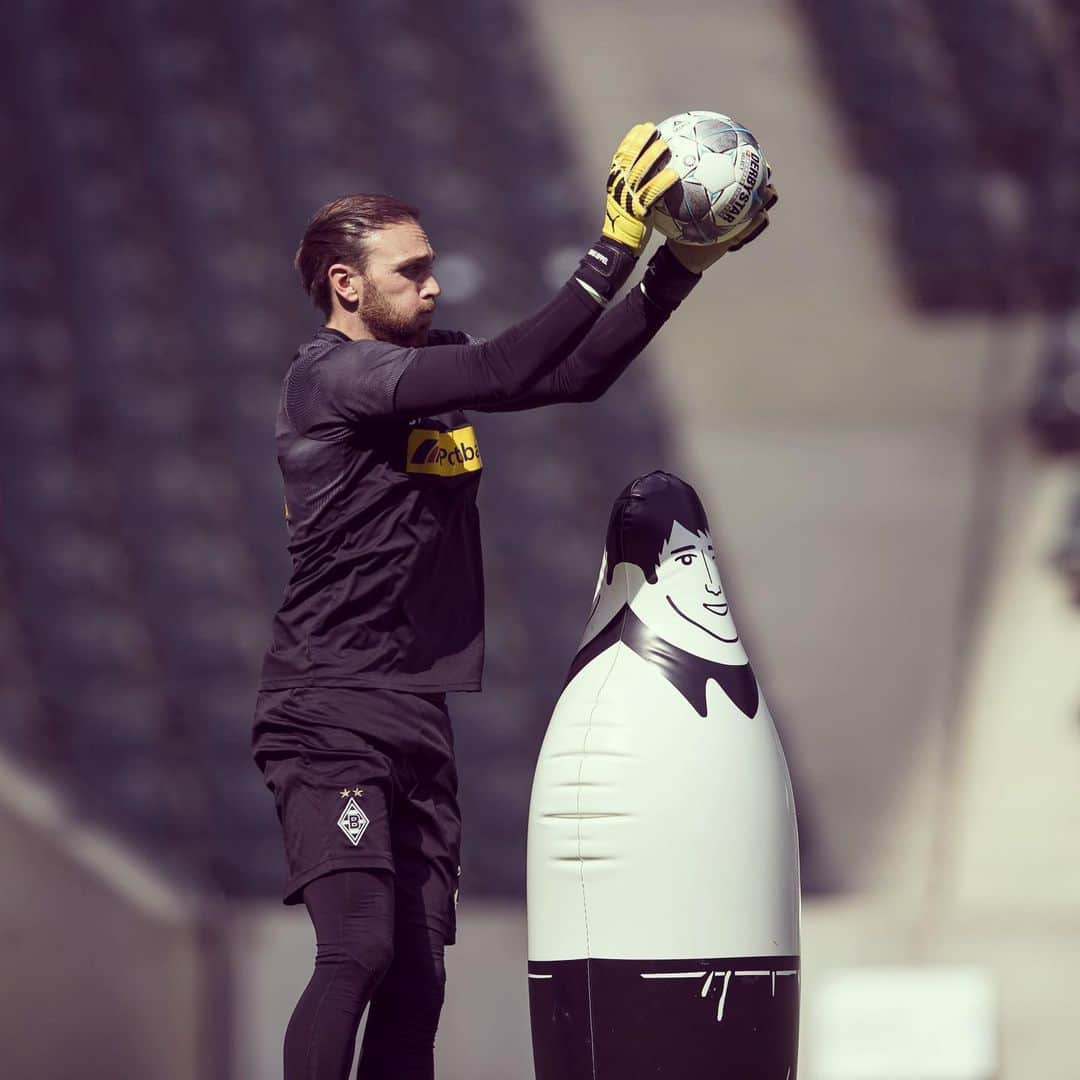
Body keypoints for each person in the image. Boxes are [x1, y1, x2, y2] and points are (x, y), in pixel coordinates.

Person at [251, 122, 777, 1080]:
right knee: (358, 950)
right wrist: (614, 245)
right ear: (346, 285)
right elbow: (503, 370)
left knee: (419, 984)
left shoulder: (420, 369)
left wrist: (678, 268)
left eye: (431, 266)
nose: (433, 284)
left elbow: (567, 376)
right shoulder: (334, 379)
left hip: (416, 711)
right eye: (410, 271)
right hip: (326, 708)